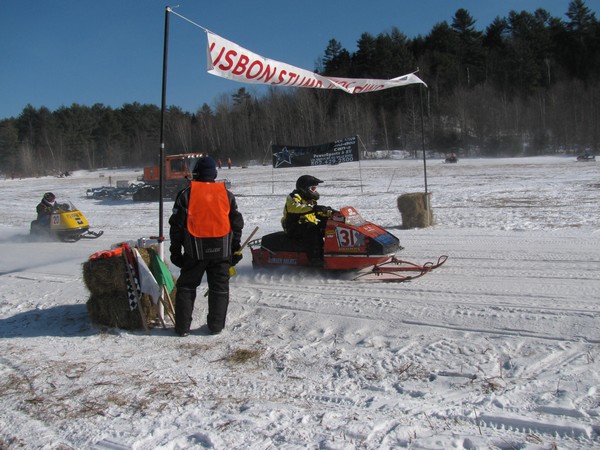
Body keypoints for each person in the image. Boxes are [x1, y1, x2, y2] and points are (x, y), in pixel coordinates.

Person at [169, 156, 244, 337]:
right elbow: (237, 224)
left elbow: (176, 226)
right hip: (222, 251)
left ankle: (182, 328)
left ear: (196, 173)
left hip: (195, 251)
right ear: (214, 173)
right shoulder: (227, 194)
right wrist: (236, 248)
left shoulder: (186, 194)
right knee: (219, 288)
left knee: (186, 287)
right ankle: (216, 327)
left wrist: (175, 251)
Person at [281, 175, 336, 266]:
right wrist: (314, 208)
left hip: (307, 224)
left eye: (315, 188)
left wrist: (332, 213)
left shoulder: (309, 199)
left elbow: (317, 212)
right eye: (313, 188)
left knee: (328, 225)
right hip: (293, 226)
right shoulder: (293, 197)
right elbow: (295, 208)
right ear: (305, 188)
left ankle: (333, 253)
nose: (315, 191)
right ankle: (315, 259)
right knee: (312, 229)